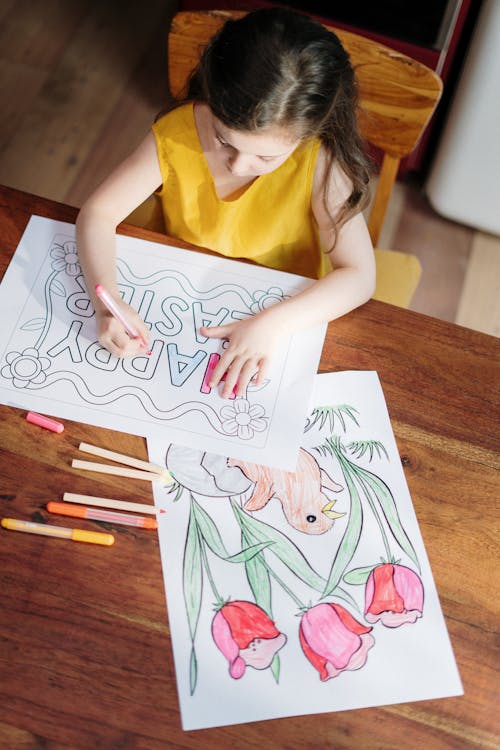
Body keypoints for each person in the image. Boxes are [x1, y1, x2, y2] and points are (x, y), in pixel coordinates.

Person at [76, 8, 375, 398]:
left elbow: (359, 276)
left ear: (309, 132)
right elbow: (98, 213)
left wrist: (273, 324)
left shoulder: (321, 163)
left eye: (265, 158)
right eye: (224, 140)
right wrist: (107, 302)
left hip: (284, 312)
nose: (238, 165)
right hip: (179, 296)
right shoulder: (178, 133)